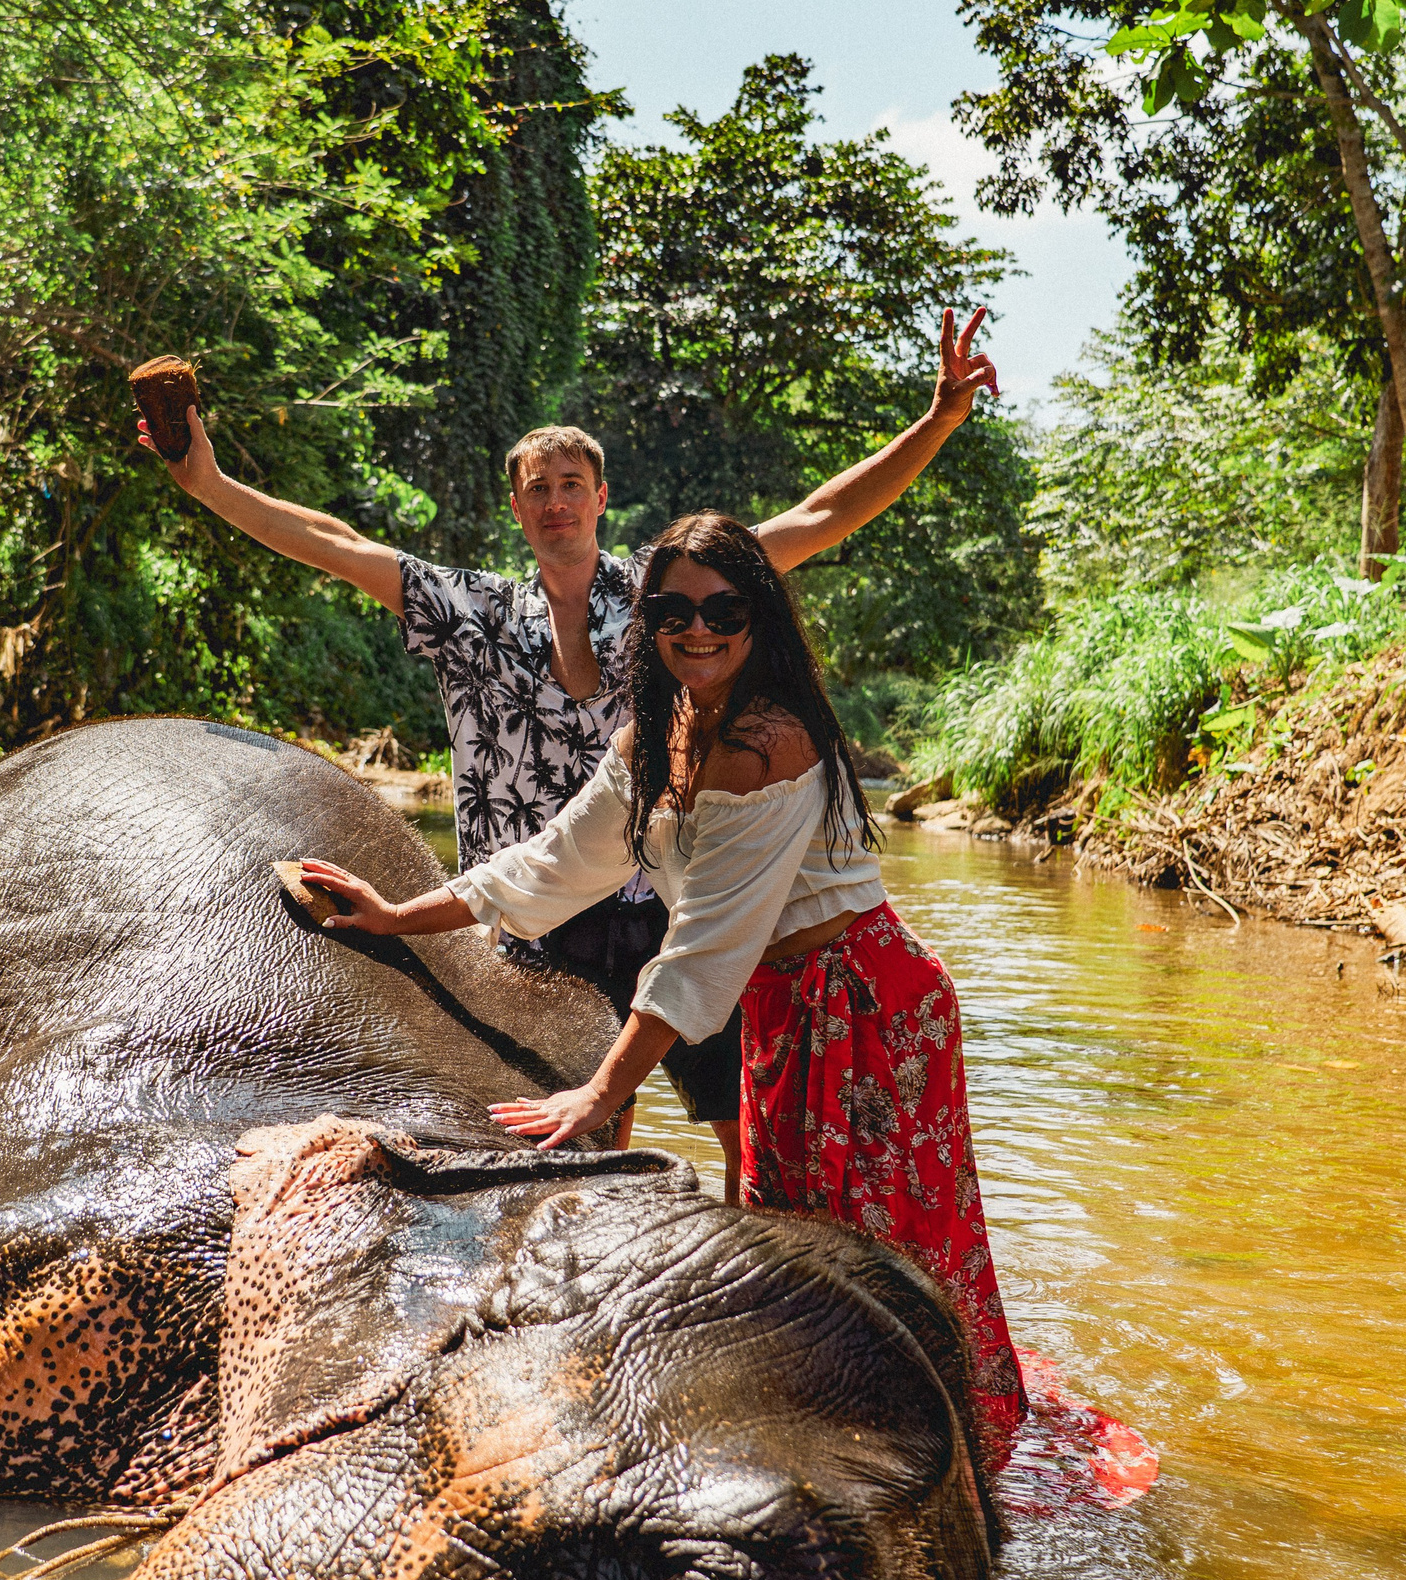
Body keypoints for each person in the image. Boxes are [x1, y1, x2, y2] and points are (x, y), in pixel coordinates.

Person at [138, 310, 999, 1185]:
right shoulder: (467, 614)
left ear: (600, 497)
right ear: (517, 507)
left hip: (680, 899)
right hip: (546, 919)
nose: (555, 500)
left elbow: (818, 515)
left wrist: (934, 423)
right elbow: (334, 543)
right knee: (579, 1150)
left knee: (753, 1142)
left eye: (571, 482)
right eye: (537, 486)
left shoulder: (673, 596)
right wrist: (206, 480)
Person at [290, 512, 1029, 1471]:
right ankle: (833, 1438)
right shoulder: (660, 735)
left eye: (723, 606)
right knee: (795, 1236)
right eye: (673, 609)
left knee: (884, 1248)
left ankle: (959, 1450)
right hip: (779, 1007)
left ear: (758, 612)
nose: (699, 629)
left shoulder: (770, 745)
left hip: (866, 1006)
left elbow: (697, 950)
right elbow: (556, 862)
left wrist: (598, 1095)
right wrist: (398, 915)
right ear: (648, 621)